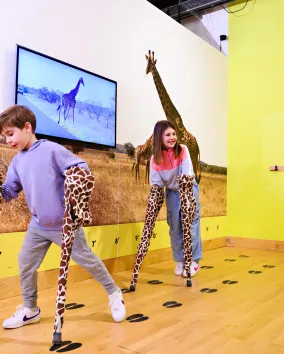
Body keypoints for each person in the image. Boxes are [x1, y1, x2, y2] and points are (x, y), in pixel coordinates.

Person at [0, 105, 126, 329]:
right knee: (25, 263)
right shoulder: (18, 161)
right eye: (4, 136)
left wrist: (74, 186)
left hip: (65, 224)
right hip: (38, 225)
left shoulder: (51, 150)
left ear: (27, 127)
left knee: (87, 260)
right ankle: (30, 309)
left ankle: (114, 292)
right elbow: (9, 190)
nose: (8, 140)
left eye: (10, 134)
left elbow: (81, 168)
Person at [150, 120, 202, 277]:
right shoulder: (155, 159)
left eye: (174, 134)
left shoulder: (183, 150)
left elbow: (186, 174)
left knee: (190, 224)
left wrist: (186, 197)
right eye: (168, 135)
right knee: (175, 227)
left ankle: (193, 261)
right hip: (172, 192)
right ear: (160, 137)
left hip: (188, 188)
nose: (172, 137)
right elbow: (157, 184)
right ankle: (180, 260)